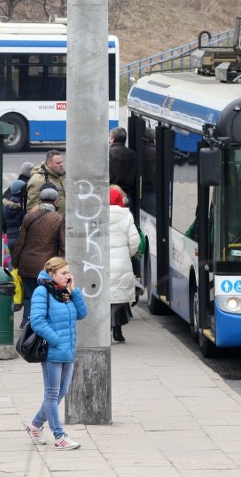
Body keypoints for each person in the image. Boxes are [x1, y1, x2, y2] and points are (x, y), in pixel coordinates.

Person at [24, 256, 87, 450]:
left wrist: (74, 290)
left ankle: (35, 425)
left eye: (68, 272)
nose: (68, 276)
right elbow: (37, 321)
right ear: (51, 274)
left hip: (68, 350)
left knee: (62, 392)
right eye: (64, 273)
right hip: (53, 351)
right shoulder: (42, 291)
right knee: (51, 394)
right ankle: (59, 436)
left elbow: (82, 314)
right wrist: (56, 340)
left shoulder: (65, 292)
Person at [11, 187, 66, 327]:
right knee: (45, 296)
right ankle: (41, 324)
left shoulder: (29, 216)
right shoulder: (59, 219)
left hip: (27, 263)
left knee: (29, 296)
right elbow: (63, 244)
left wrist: (15, 262)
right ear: (55, 201)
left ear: (40, 200)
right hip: (46, 266)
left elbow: (20, 243)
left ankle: (26, 323)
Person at [109, 187, 140, 343]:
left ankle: (103, 330)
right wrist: (128, 254)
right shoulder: (126, 216)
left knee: (104, 297)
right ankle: (118, 330)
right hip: (121, 262)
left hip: (102, 263)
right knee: (119, 297)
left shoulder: (97, 215)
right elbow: (135, 241)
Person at [26, 150, 66, 215]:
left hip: (63, 221)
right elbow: (32, 210)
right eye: (58, 163)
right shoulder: (39, 180)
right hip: (50, 222)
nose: (61, 165)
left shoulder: (63, 175)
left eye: (61, 162)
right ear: (48, 163)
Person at [108, 127, 137, 203]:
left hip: (113, 194)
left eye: (110, 138)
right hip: (128, 195)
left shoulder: (109, 153)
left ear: (113, 139)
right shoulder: (133, 155)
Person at [2, 179, 27, 258]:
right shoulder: (23, 205)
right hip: (20, 238)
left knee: (13, 262)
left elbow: (3, 223)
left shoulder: (5, 205)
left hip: (10, 238)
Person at [140, 127, 157, 215]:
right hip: (152, 190)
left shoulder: (139, 151)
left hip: (141, 191)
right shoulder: (157, 153)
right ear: (154, 140)